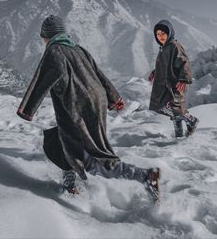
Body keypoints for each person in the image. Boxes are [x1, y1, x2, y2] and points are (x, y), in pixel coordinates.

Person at [17, 15, 160, 201]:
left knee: (91, 156)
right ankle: (70, 184)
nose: (44, 41)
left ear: (48, 35)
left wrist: (27, 109)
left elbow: (42, 79)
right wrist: (114, 97)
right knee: (57, 141)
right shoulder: (78, 48)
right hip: (95, 101)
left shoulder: (54, 51)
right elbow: (98, 73)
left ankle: (145, 176)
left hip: (79, 106)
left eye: (44, 37)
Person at [149, 19, 199, 138]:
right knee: (164, 107)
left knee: (175, 108)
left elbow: (184, 63)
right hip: (165, 84)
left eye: (163, 33)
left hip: (175, 84)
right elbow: (165, 65)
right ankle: (179, 134)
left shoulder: (175, 46)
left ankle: (191, 121)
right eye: (158, 34)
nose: (160, 36)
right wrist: (155, 72)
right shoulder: (164, 48)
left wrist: (183, 79)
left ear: (169, 33)